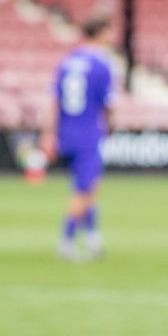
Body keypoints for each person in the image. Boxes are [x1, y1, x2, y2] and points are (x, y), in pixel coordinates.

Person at [43, 16, 116, 261]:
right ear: (100, 32)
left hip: (66, 130)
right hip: (87, 132)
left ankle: (93, 238)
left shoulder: (67, 61)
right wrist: (111, 125)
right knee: (83, 190)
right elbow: (109, 104)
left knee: (90, 185)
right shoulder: (102, 64)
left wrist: (50, 133)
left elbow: (53, 101)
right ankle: (67, 242)